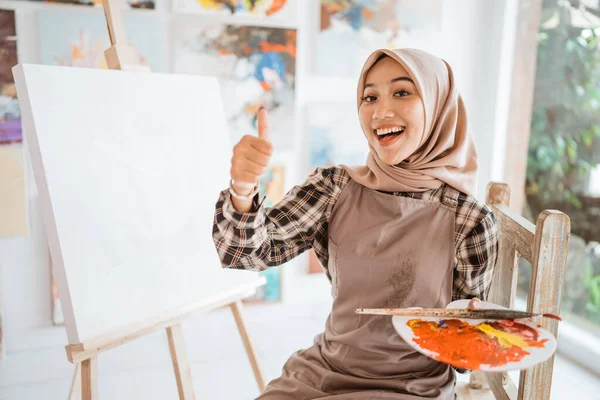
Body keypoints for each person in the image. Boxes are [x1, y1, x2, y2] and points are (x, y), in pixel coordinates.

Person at [212, 48, 499, 399]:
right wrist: (243, 188)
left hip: (413, 389)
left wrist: (483, 333)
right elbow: (243, 254)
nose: (381, 112)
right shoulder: (333, 187)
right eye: (369, 96)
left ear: (439, 107)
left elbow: (463, 360)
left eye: (402, 92)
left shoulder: (469, 220)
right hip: (324, 374)